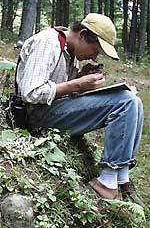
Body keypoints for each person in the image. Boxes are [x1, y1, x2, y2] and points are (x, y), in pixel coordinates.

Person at [16, 13, 144, 201]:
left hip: (53, 110)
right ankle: (107, 182)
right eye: (96, 49)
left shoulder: (70, 50)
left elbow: (60, 88)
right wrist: (78, 84)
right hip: (35, 117)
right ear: (83, 35)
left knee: (134, 101)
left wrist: (79, 78)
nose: (95, 55)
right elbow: (31, 93)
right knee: (124, 102)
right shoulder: (48, 42)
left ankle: (121, 175)